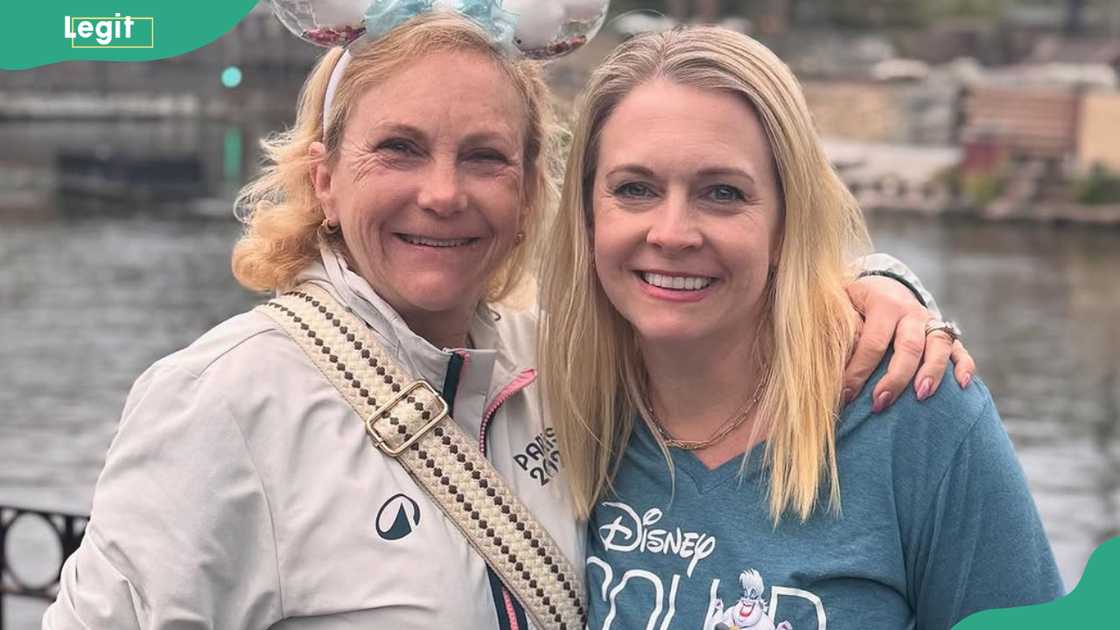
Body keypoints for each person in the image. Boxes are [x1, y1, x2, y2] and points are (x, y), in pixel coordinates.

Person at [44, 8, 964, 630]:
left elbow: (724, 315)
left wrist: (876, 289)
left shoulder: (563, 367)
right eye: (399, 149)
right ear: (324, 178)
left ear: (529, 195)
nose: (441, 194)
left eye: (484, 158)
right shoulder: (224, 404)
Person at [538, 26, 1062, 630]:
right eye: (635, 189)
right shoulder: (558, 404)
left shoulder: (916, 411)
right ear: (587, 214)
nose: (672, 232)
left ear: (787, 221)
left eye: (722, 193)